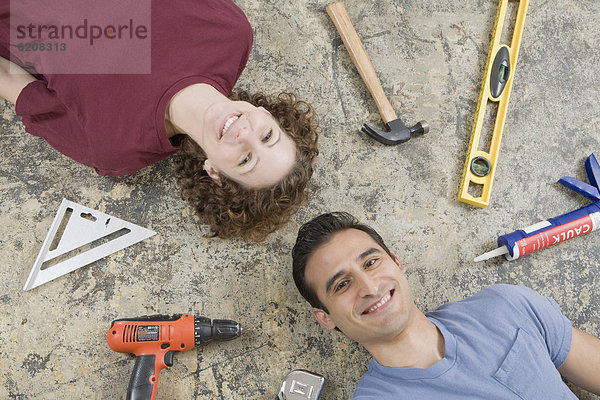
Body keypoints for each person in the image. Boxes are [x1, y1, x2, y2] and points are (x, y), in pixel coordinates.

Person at [0, 0, 319, 241]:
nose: (245, 134)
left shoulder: (113, 147)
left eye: (246, 159)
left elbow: (13, 82)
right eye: (267, 136)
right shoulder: (228, 33)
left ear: (215, 173)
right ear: (269, 116)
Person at [292, 212, 600, 399]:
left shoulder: (508, 307)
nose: (370, 288)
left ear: (397, 263)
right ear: (325, 317)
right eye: (342, 284)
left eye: (371, 262)